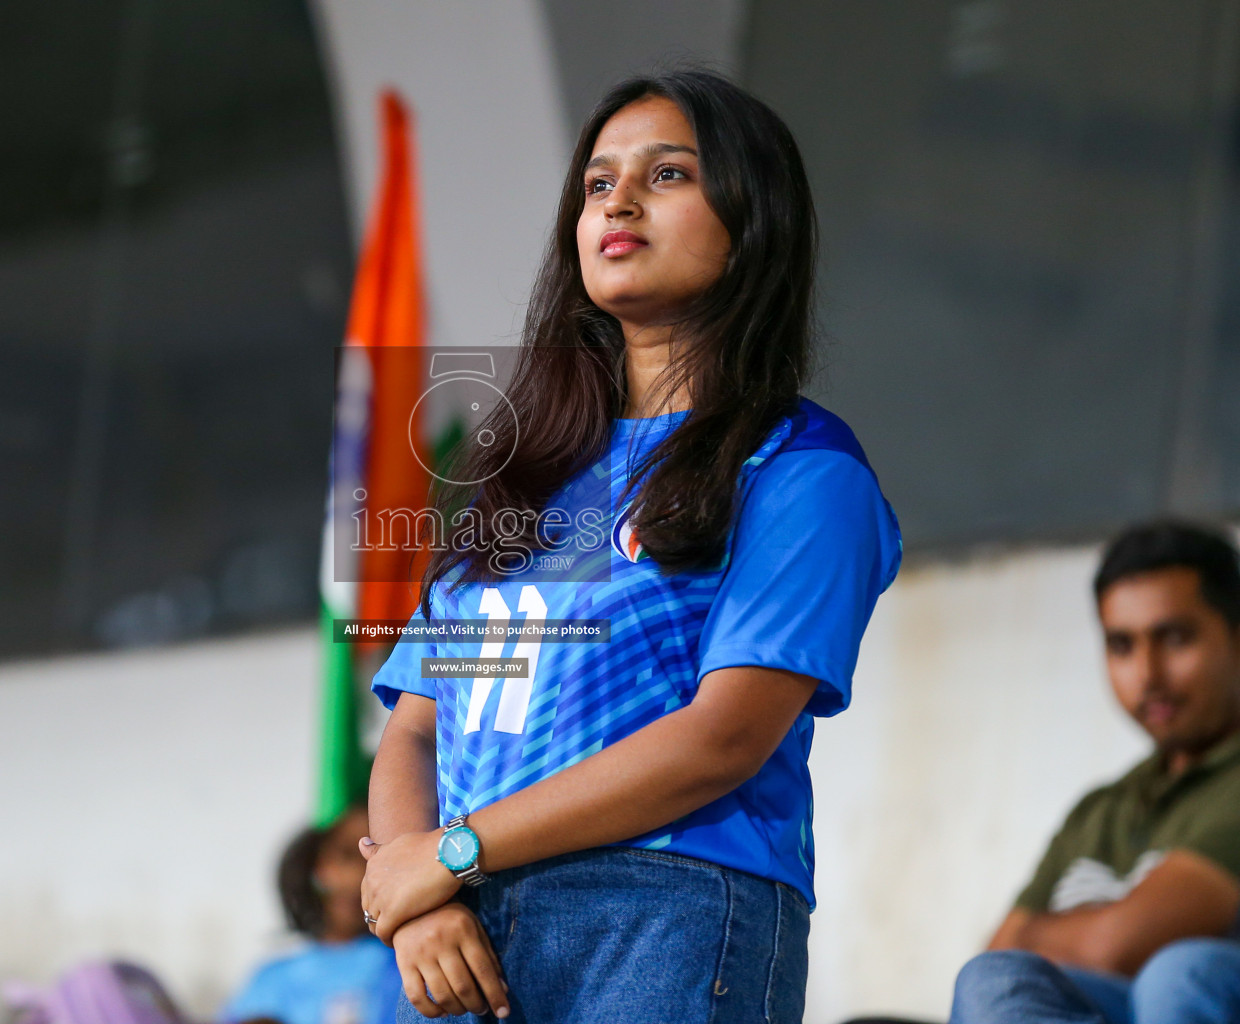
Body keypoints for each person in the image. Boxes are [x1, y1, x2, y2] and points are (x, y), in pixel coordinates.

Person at [357, 68, 902, 1023]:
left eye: (669, 175)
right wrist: (415, 901)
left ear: (753, 220)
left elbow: (722, 736)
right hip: (460, 935)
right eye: (599, 183)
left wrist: (449, 854)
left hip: (667, 913)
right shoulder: (528, 470)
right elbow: (416, 723)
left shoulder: (801, 467)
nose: (621, 201)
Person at [949, 521, 1240, 1024]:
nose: (1148, 675)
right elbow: (1001, 949)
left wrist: (1046, 932)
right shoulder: (1099, 810)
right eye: (1122, 645)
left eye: (1174, 638)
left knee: (1177, 974)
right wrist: (1093, 933)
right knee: (992, 982)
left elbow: (1115, 947)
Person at [221, 805, 397, 1024]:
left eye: (376, 859)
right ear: (315, 865)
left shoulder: (405, 965)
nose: (357, 876)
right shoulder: (269, 981)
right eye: (346, 856)